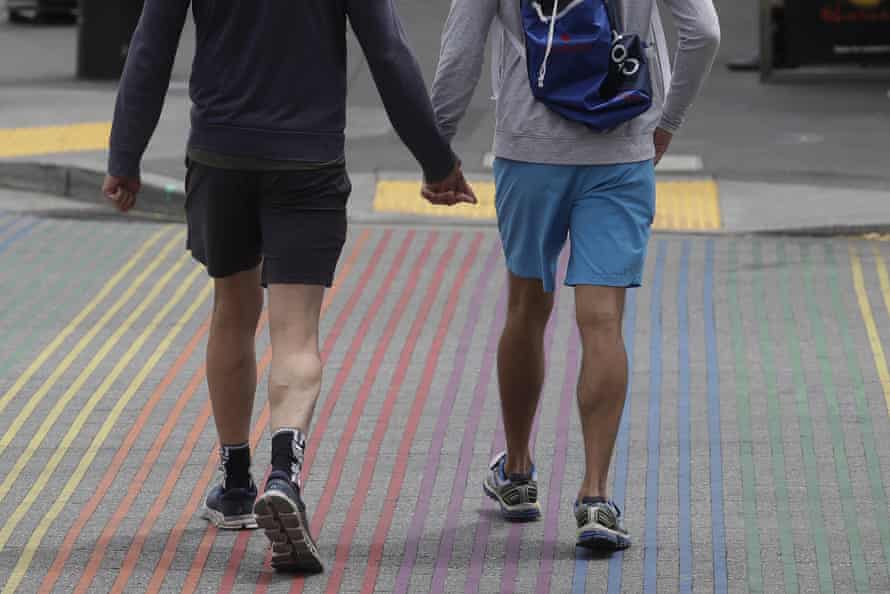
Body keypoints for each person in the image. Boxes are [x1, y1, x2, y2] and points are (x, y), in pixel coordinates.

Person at [103, 0, 475, 574]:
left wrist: (124, 157)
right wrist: (436, 161)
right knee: (296, 332)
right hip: (307, 158)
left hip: (220, 155)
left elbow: (151, 46)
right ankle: (284, 475)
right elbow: (389, 53)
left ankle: (233, 484)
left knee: (232, 309)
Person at [427, 0, 719, 550]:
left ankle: (516, 474)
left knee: (526, 309)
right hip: (621, 148)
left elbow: (460, 49)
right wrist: (667, 119)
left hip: (529, 151)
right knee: (602, 321)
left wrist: (436, 146)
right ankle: (595, 498)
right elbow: (703, 31)